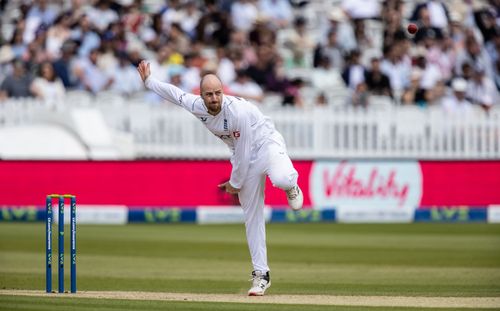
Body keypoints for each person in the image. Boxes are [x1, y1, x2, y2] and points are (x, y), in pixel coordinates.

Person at [137, 60, 303, 296]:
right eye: (209, 94)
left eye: (217, 93)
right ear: (202, 95)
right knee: (252, 216)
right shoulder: (196, 104)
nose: (214, 98)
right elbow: (174, 94)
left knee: (283, 179)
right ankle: (261, 275)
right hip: (242, 154)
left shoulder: (238, 112)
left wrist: (235, 184)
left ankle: (292, 185)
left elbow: (245, 152)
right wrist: (149, 81)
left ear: (223, 92)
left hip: (267, 144)